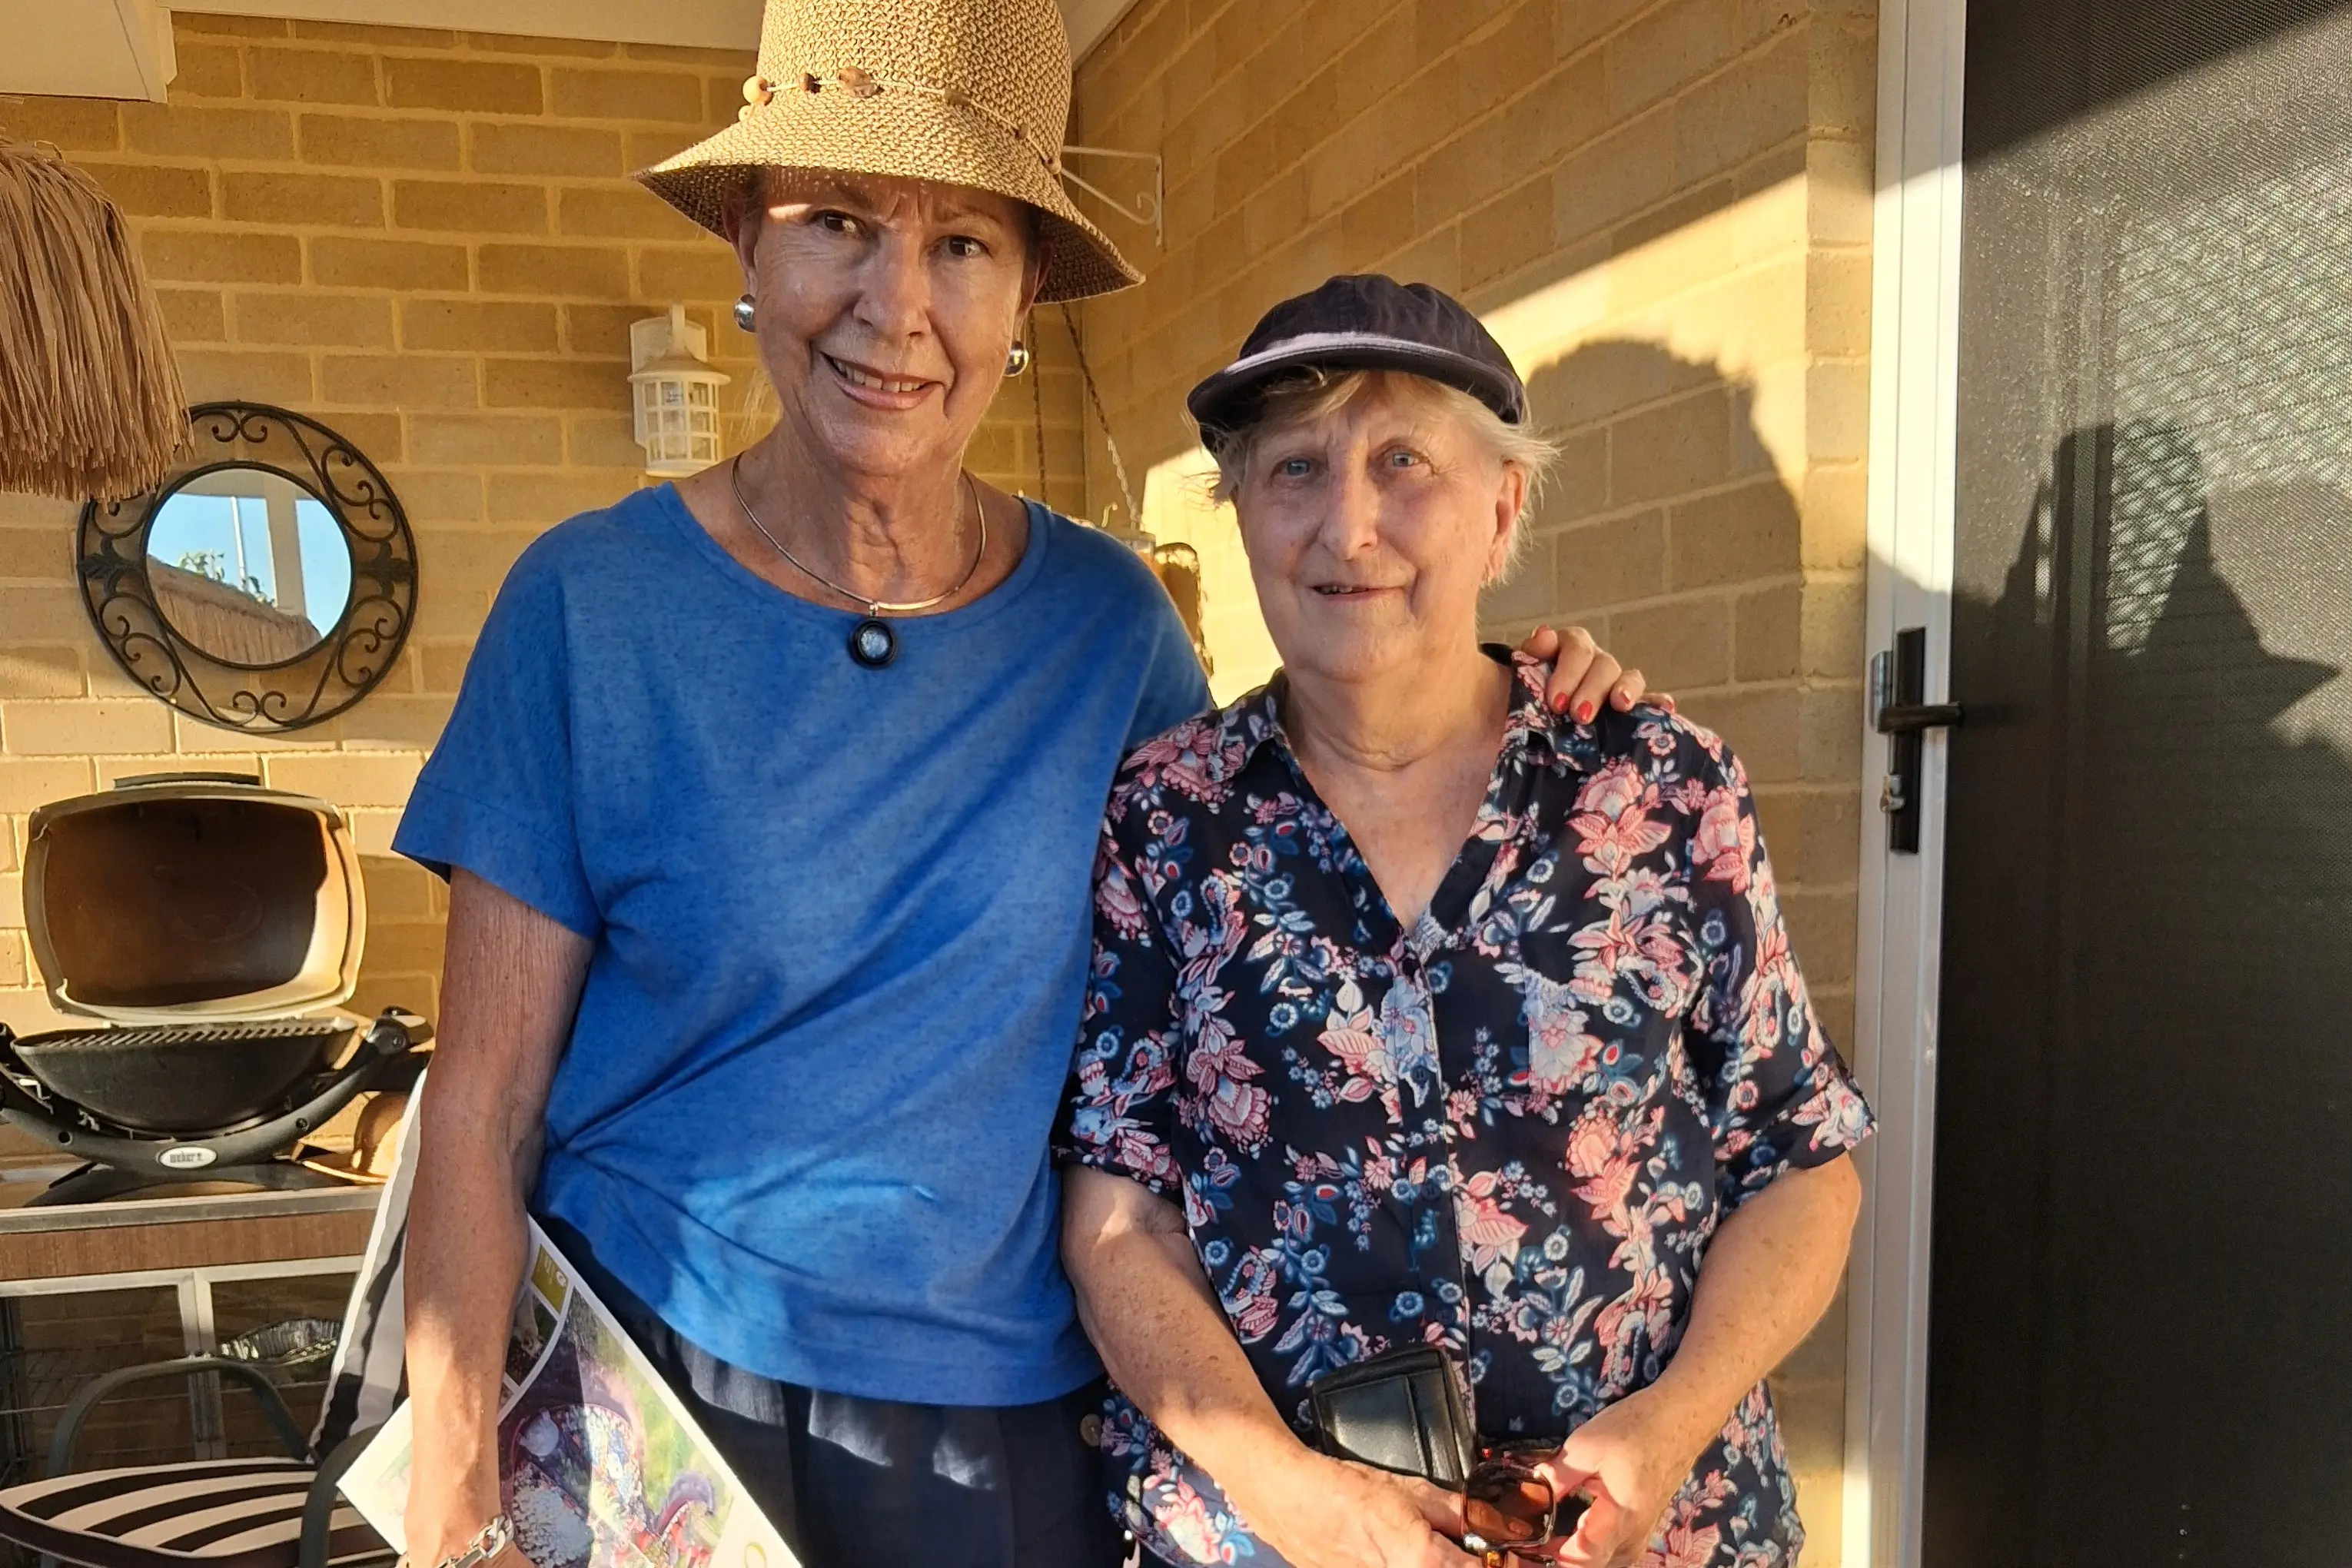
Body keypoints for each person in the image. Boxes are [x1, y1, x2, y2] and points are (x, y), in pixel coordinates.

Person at [389, 0, 1653, 1562]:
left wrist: (1521, 694)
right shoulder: (589, 606)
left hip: (1004, 1415)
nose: (895, 307)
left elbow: (1301, 834)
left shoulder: (1108, 628)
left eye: (964, 245)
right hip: (652, 1396)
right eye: (837, 222)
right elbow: (482, 1106)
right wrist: (450, 1487)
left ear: (1025, 293)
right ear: (746, 239)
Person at [1058, 276, 1874, 1568]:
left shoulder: (1659, 789)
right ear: (1244, 514)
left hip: (1644, 1532)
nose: (1350, 525)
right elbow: (1121, 1220)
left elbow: (1801, 1165)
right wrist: (1297, 1499)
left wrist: (1671, 1427)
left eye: (1404, 463)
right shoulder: (1169, 820)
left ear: (1501, 512)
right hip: (1273, 1539)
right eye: (1296, 468)